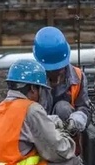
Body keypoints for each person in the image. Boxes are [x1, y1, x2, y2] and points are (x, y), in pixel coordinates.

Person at [33, 26, 91, 155]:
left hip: (66, 130)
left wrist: (79, 118)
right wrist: (46, 121)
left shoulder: (77, 76)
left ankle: (70, 152)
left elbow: (85, 107)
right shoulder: (32, 79)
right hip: (38, 132)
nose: (56, 71)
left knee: (63, 107)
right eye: (51, 69)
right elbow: (23, 112)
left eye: (59, 67)